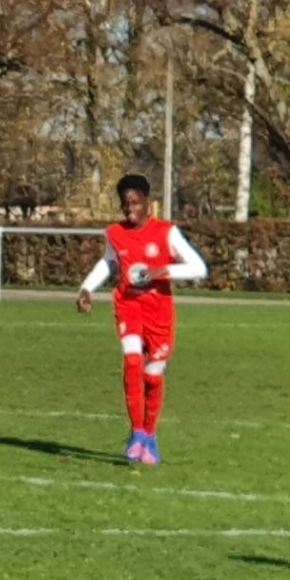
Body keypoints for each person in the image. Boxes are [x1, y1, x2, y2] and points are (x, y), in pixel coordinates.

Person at [76, 174, 208, 466]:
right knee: (133, 360)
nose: (130, 209)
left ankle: (150, 435)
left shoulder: (167, 233)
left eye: (135, 203)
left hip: (159, 312)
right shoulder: (115, 233)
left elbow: (199, 267)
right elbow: (108, 262)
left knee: (153, 375)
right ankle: (137, 432)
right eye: (125, 204)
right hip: (129, 305)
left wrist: (163, 271)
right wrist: (86, 288)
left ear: (148, 202)